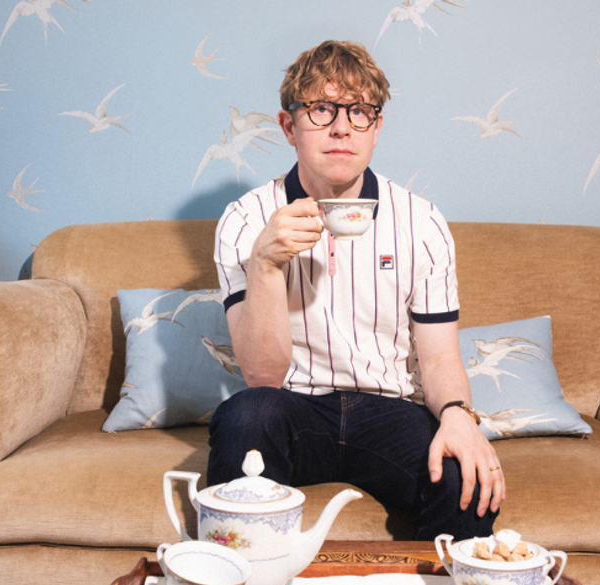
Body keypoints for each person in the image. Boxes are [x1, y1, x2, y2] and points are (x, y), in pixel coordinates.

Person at [208, 39, 504, 541]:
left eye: (360, 111)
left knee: (465, 483)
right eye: (322, 109)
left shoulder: (421, 220)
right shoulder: (246, 220)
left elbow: (436, 359)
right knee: (246, 415)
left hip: (391, 410)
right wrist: (264, 263)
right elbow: (262, 375)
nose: (342, 126)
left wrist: (458, 416)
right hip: (293, 408)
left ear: (376, 128)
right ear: (289, 127)